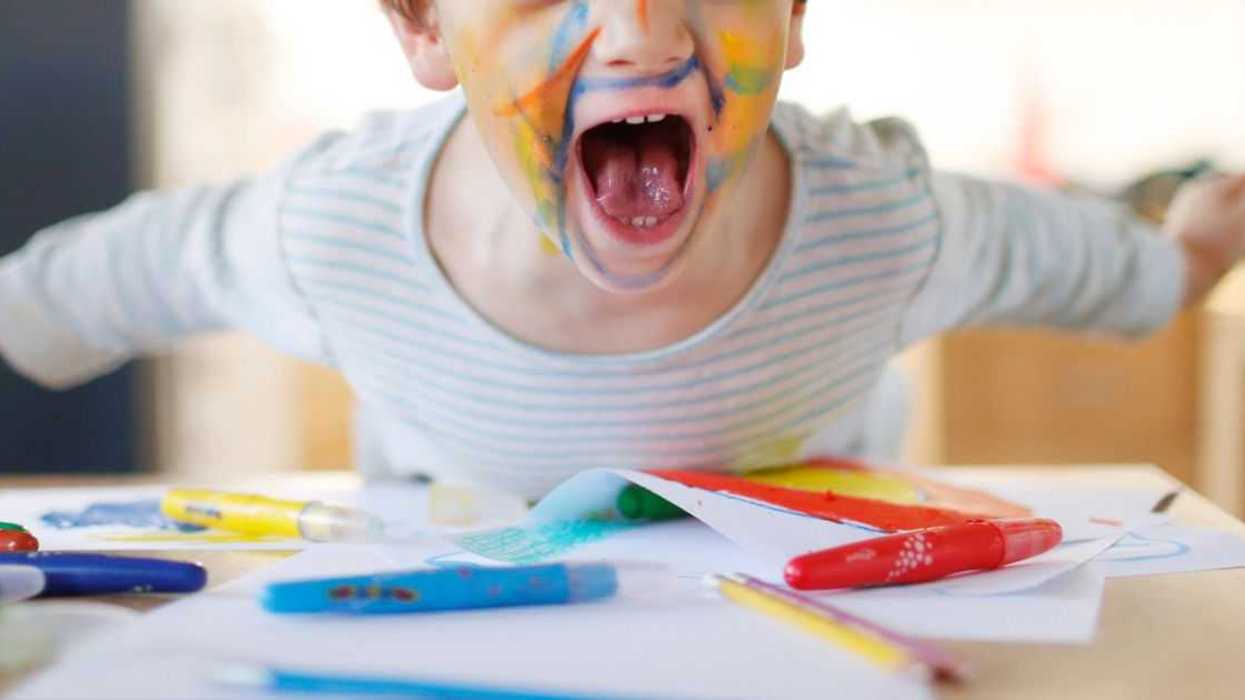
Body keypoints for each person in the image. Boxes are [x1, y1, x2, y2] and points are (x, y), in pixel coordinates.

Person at [1, 1, 1241, 500]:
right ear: (427, 26)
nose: (643, 39)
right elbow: (124, 272)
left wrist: (1181, 258)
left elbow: (1072, 259)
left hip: (800, 640)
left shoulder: (878, 222)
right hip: (461, 632)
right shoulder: (337, 230)